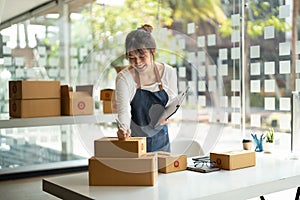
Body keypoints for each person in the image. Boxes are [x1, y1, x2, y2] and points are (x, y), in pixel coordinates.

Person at [115, 24, 178, 152]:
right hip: (135, 145)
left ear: (153, 51)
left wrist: (167, 116)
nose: (137, 62)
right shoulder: (124, 78)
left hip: (162, 143)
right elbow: (124, 111)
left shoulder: (168, 73)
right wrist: (124, 128)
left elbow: (172, 102)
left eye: (142, 57)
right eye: (132, 58)